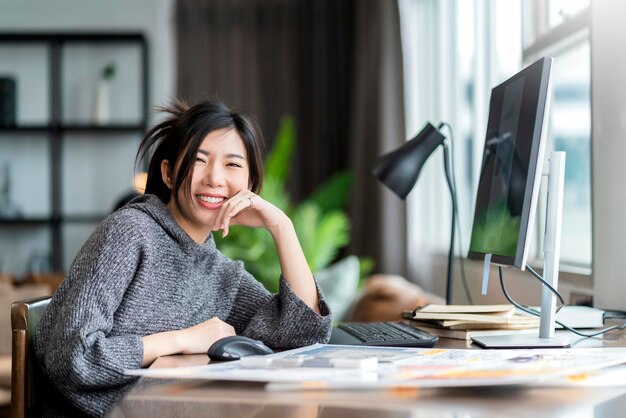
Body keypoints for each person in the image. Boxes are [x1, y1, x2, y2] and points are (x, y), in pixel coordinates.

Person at [34, 99, 332, 417]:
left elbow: (303, 334)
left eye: (232, 165)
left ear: (250, 185)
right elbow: (73, 358)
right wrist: (184, 339)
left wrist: (281, 227)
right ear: (169, 174)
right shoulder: (130, 231)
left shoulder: (217, 271)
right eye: (198, 161)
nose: (215, 178)